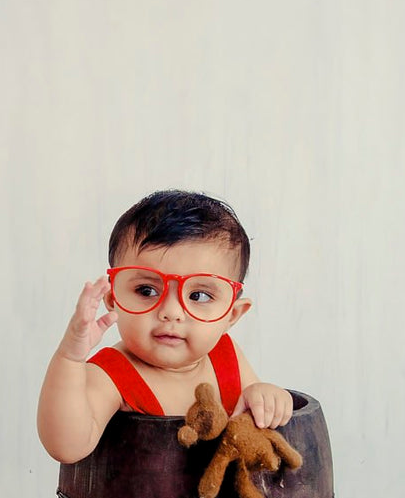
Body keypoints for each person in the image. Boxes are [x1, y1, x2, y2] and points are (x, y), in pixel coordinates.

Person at [37, 190, 293, 464]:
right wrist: (70, 357)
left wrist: (264, 396)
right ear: (114, 299)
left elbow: (254, 426)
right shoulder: (111, 374)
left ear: (232, 314)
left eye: (199, 296)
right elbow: (66, 446)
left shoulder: (227, 357)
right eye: (146, 290)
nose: (171, 312)